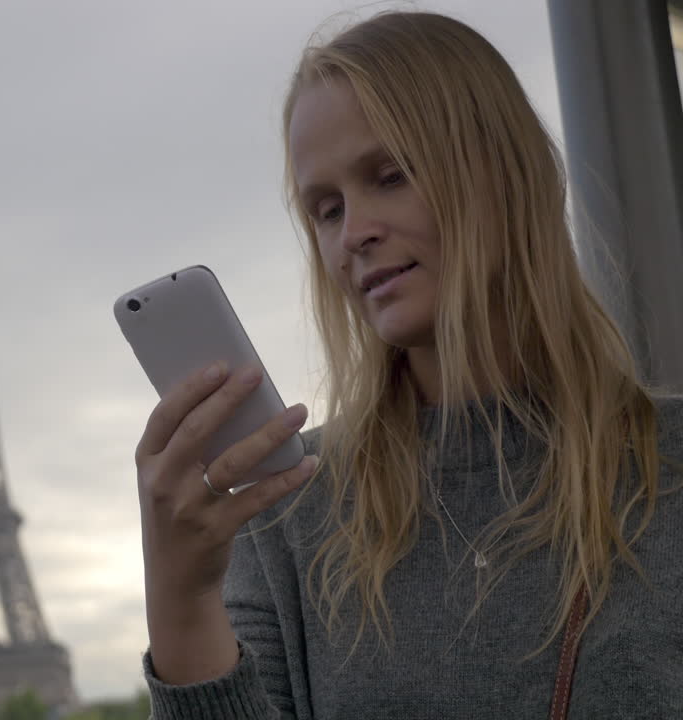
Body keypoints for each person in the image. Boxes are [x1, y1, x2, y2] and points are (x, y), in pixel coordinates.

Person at [134, 10, 683, 719]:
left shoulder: (667, 466)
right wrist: (180, 602)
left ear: (505, 173)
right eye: (326, 210)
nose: (354, 233)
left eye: (390, 175)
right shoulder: (287, 510)